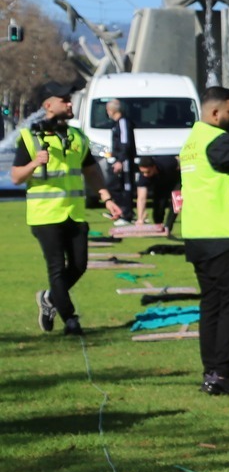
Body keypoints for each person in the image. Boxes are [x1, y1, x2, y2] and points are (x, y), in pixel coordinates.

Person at [13, 92, 123, 336]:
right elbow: (16, 177)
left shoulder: (77, 136)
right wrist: (34, 163)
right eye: (64, 102)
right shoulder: (30, 138)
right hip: (45, 216)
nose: (70, 105)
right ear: (48, 105)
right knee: (56, 269)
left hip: (74, 214)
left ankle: (49, 298)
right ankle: (71, 319)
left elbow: (91, 171)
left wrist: (106, 198)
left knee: (79, 265)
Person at [179, 87, 229, 394]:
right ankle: (225, 374)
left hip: (198, 236)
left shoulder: (192, 141)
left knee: (211, 305)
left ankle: (212, 373)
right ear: (215, 113)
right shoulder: (222, 141)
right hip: (226, 236)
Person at [105, 98, 137, 217]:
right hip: (118, 159)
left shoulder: (123, 122)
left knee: (126, 186)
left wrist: (120, 160)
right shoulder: (116, 124)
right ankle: (121, 210)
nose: (107, 113)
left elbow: (125, 142)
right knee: (113, 185)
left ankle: (127, 213)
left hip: (125, 160)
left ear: (112, 110)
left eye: (108, 110)